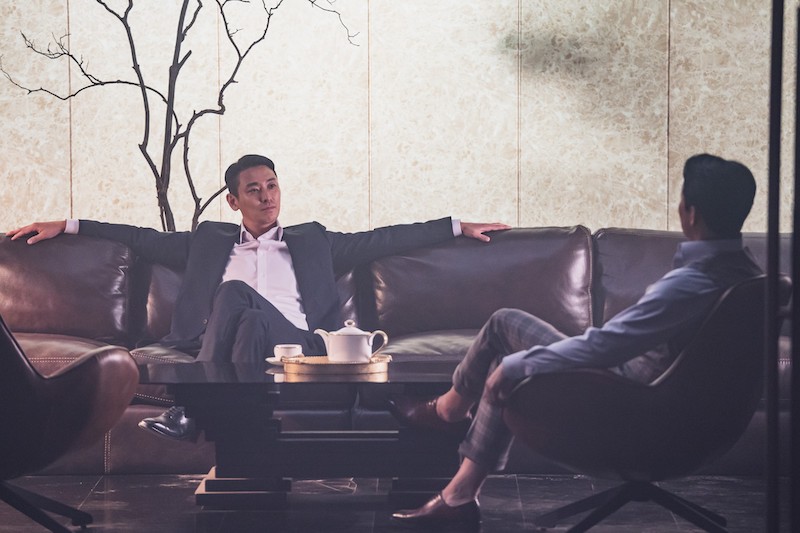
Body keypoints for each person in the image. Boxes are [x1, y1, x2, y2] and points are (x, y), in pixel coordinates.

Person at [9, 154, 510, 441]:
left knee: (234, 293)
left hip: (301, 341)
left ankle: (192, 411)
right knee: (244, 314)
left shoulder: (314, 241)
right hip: (232, 338)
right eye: (254, 190)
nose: (267, 196)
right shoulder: (207, 241)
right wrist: (68, 224)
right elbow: (138, 237)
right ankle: (247, 431)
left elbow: (386, 238)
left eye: (272, 186)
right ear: (234, 200)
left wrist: (455, 226)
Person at [387, 153, 763, 528]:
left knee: (505, 343)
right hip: (694, 413)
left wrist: (518, 365)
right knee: (506, 334)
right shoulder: (749, 276)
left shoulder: (692, 283)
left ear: (690, 213)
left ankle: (450, 423)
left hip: (633, 398)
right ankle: (457, 470)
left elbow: (607, 346)